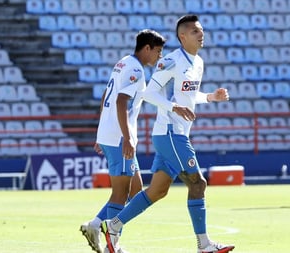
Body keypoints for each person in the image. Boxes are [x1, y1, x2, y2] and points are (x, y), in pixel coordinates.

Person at [100, 15, 235, 253]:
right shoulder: (171, 62)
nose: (200, 34)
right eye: (195, 31)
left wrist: (210, 97)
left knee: (157, 191)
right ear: (182, 36)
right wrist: (175, 108)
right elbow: (149, 94)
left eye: (201, 30)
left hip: (177, 133)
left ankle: (113, 226)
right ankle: (204, 245)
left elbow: (189, 98)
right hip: (170, 133)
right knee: (198, 182)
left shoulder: (198, 63)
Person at [80, 29, 166, 253]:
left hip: (113, 134)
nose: (159, 56)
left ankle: (96, 225)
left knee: (135, 189)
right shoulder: (135, 69)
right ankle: (113, 246)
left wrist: (103, 131)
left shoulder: (123, 63)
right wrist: (126, 138)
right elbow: (120, 101)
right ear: (146, 48)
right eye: (157, 51)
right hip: (120, 137)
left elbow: (106, 95)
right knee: (121, 192)